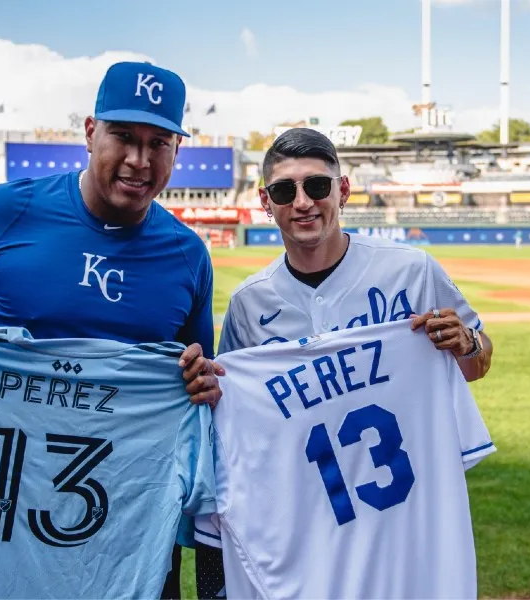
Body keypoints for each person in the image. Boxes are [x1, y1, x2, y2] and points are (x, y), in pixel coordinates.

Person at [0, 61, 222, 599]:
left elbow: (197, 378)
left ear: (177, 151)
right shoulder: (2, 213)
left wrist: (205, 383)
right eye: (124, 137)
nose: (139, 159)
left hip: (130, 535)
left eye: (159, 142)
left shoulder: (187, 255)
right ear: (91, 132)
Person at [193, 128, 494, 598]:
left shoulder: (411, 271)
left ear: (343, 190)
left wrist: (469, 344)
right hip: (312, 517)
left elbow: (477, 364)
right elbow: (234, 422)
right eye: (284, 191)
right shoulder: (250, 305)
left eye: (317, 185)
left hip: (408, 520)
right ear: (265, 202)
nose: (303, 202)